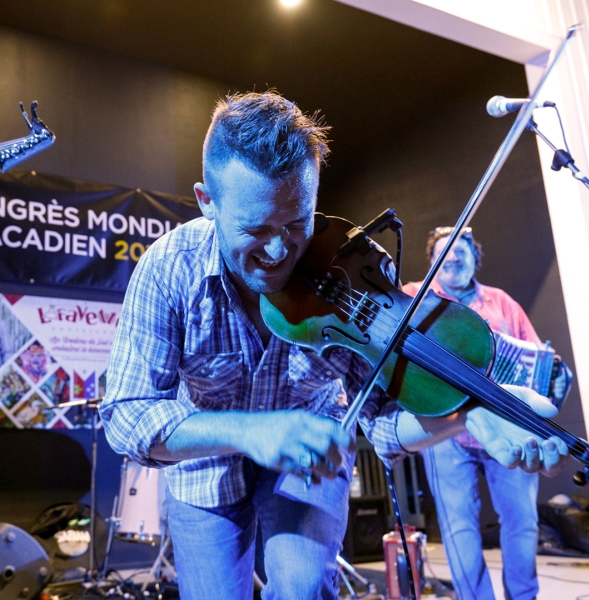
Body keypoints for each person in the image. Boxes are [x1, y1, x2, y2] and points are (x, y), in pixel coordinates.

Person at [99, 91, 568, 600]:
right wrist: (248, 432)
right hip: (204, 468)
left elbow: (385, 423)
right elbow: (127, 415)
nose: (280, 252)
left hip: (312, 458)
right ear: (207, 202)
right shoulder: (170, 269)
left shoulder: (344, 267)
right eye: (255, 229)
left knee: (302, 588)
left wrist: (466, 415)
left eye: (297, 223)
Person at [402, 227, 566, 600]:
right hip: (443, 430)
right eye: (444, 253)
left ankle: (522, 596)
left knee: (522, 522)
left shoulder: (502, 302)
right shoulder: (417, 297)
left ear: (476, 257)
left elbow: (537, 357)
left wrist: (544, 369)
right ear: (431, 263)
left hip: (505, 428)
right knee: (458, 526)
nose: (454, 257)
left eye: (461, 250)